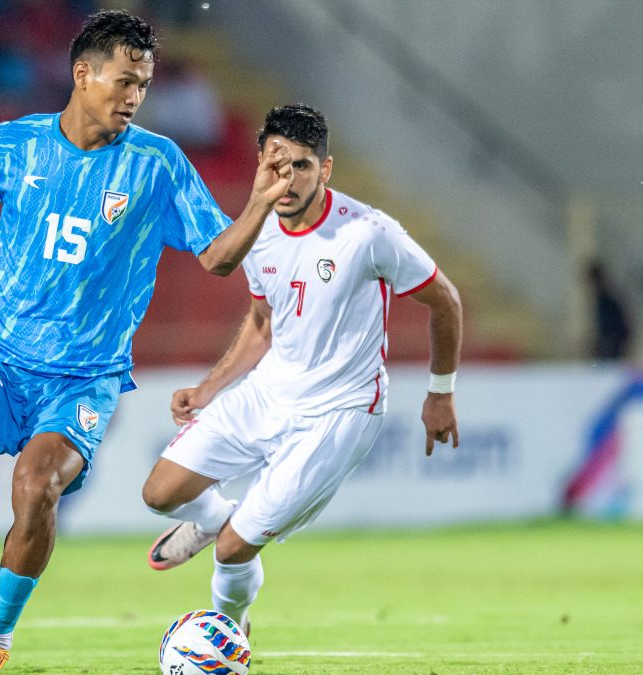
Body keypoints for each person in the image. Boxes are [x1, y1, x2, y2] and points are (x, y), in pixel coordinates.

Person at [0, 10, 293, 675]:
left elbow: (218, 257)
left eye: (144, 85)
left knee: (36, 484)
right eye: (125, 81)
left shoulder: (157, 165)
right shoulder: (16, 143)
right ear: (84, 73)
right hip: (0, 350)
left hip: (84, 376)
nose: (135, 97)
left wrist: (257, 205)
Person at [140, 104, 463, 634]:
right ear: (259, 164)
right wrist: (211, 386)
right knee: (159, 493)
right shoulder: (258, 231)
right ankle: (217, 517)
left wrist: (441, 393)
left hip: (339, 411)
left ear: (326, 170)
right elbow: (263, 323)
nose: (286, 180)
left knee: (234, 550)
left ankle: (228, 634)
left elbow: (445, 300)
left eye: (302, 166)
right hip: (269, 393)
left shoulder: (368, 233)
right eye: (276, 164)